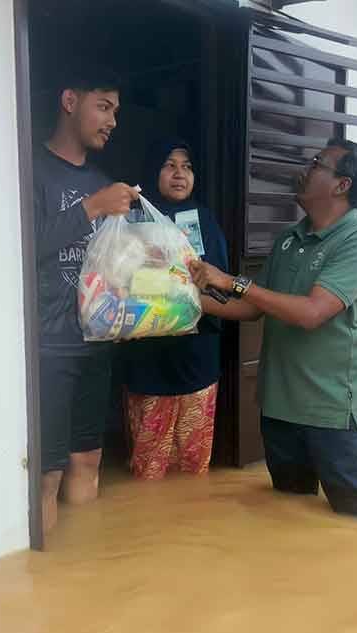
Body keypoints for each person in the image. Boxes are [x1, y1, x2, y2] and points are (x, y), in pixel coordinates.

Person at [189, 138, 357, 517]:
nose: (305, 170)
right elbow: (251, 308)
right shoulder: (288, 239)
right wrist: (177, 304)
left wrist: (233, 281)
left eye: (316, 163)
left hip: (332, 414)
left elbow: (312, 313)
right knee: (289, 515)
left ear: (341, 185)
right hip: (280, 408)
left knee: (355, 520)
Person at [34, 68, 139, 533]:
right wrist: (92, 207)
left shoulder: (101, 179)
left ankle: (83, 580)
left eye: (116, 111)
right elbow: (25, 244)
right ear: (70, 100)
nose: (113, 120)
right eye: (104, 106)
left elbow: (109, 265)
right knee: (47, 472)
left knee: (88, 459)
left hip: (96, 341)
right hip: (49, 344)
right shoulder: (31, 167)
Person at [118, 139, 229, 479]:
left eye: (187, 166)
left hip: (196, 361)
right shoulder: (130, 221)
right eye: (169, 165)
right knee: (148, 470)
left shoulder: (204, 220)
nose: (179, 173)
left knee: (193, 469)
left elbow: (221, 288)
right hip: (147, 363)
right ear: (153, 171)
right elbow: (116, 283)